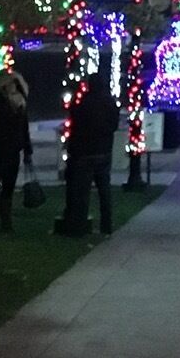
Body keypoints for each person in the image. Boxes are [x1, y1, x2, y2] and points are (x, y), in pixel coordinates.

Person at [61, 71, 119, 236]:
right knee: (104, 191)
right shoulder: (109, 103)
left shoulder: (84, 103)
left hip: (85, 152)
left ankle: (79, 225)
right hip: (103, 151)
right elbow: (113, 126)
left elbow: (75, 121)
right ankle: (106, 225)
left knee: (83, 191)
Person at [0, 71, 33, 232]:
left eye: (15, 84)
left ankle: (6, 224)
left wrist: (27, 151)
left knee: (8, 187)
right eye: (10, 84)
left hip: (13, 151)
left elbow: (24, 129)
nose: (13, 87)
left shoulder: (20, 105)